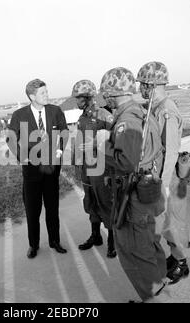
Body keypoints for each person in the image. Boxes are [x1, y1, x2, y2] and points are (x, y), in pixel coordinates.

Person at [99, 67, 167, 302]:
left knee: (135, 252)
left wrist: (102, 146)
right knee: (150, 247)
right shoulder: (140, 112)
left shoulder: (127, 120)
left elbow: (126, 162)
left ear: (111, 93)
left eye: (105, 93)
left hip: (134, 197)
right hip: (147, 191)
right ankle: (159, 289)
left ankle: (155, 297)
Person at [136, 61, 190, 284]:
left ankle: (182, 263)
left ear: (151, 85)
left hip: (169, 177)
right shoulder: (157, 107)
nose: (140, 88)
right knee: (168, 222)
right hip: (163, 175)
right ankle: (176, 256)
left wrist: (163, 186)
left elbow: (169, 151)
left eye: (143, 84)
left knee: (173, 223)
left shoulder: (166, 109)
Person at [6, 79, 69, 259]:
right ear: (32, 97)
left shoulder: (55, 111)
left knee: (52, 208)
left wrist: (58, 150)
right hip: (31, 172)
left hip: (51, 169)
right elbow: (11, 138)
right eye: (43, 93)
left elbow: (64, 132)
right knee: (32, 211)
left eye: (47, 92)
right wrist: (21, 156)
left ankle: (55, 241)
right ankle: (33, 245)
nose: (47, 95)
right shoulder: (19, 115)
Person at [71, 80, 116, 258]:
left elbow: (116, 140)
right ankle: (96, 236)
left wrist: (95, 146)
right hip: (86, 169)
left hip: (101, 168)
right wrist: (77, 164)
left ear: (89, 96)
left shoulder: (104, 115)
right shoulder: (82, 118)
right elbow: (78, 143)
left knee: (106, 202)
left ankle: (113, 241)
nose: (76, 101)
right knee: (90, 202)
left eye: (79, 97)